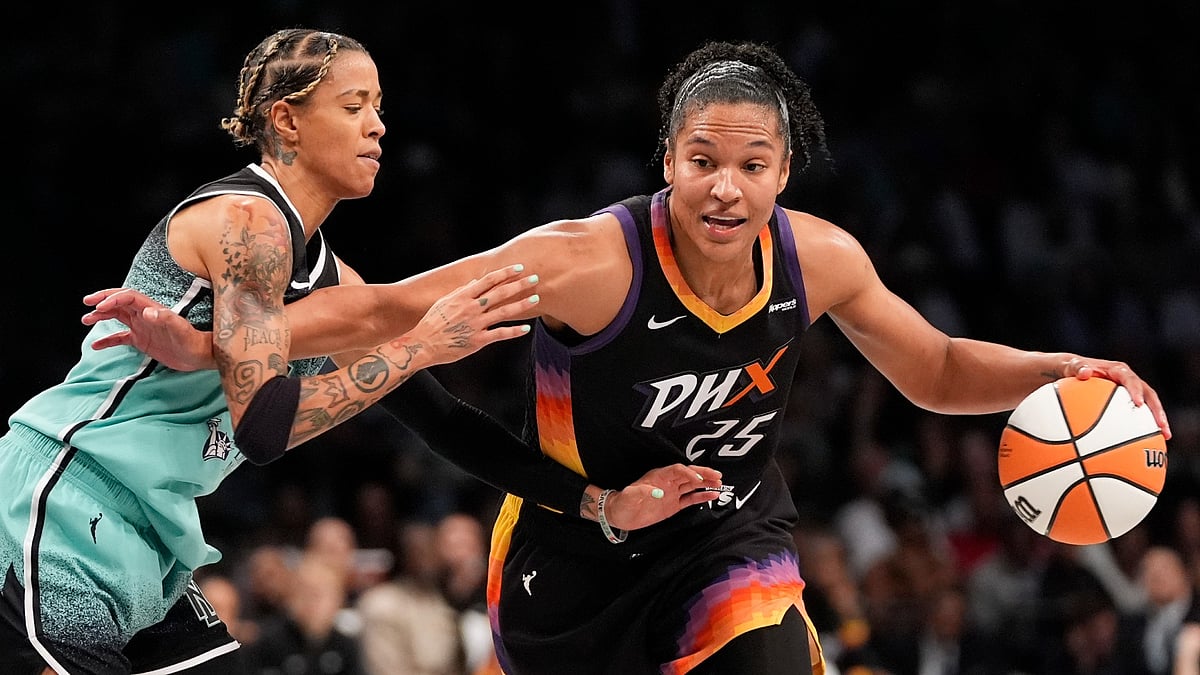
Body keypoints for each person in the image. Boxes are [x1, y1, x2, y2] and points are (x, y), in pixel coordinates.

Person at [82, 39, 1172, 674]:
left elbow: (931, 369)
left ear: (784, 171)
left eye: (753, 165)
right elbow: (390, 307)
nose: (725, 188)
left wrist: (1053, 371)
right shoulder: (587, 262)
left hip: (727, 541)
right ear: (668, 160)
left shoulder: (824, 260)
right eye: (702, 160)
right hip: (573, 552)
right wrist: (217, 339)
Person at [0, 27, 720, 675]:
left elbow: (444, 423)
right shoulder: (245, 222)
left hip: (150, 533)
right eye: (354, 106)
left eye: (378, 106)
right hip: (65, 500)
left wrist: (601, 504)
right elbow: (263, 425)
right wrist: (418, 347)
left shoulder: (328, 277)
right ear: (287, 120)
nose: (378, 125)